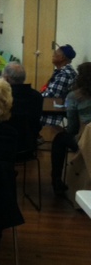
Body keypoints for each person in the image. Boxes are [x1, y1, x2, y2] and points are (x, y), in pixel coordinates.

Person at [50, 62, 91, 194]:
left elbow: (72, 127)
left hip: (86, 141)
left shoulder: (74, 96)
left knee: (59, 139)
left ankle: (56, 180)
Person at [1, 62, 43, 155]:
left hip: (3, 147)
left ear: (6, 78)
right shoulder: (37, 96)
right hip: (28, 146)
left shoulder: (2, 97)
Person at [41, 44, 77, 129]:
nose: (53, 55)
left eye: (55, 53)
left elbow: (52, 95)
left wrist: (35, 96)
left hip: (54, 107)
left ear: (62, 58)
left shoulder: (65, 74)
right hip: (56, 104)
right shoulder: (63, 72)